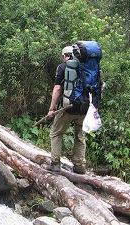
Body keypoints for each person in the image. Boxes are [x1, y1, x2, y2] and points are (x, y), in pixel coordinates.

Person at [45, 46, 87, 174]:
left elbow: (57, 89)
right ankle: (79, 166)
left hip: (67, 109)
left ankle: (55, 164)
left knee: (56, 133)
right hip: (84, 109)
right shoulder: (87, 67)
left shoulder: (63, 67)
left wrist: (51, 109)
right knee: (80, 136)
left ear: (64, 56)